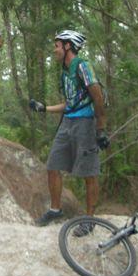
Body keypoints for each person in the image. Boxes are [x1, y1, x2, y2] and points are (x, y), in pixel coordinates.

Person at [30, 30, 110, 236]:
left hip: (86, 123)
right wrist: (44, 108)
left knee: (88, 172)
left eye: (57, 45)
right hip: (68, 122)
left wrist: (100, 128)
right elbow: (69, 103)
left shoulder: (82, 66)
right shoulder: (64, 71)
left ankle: (89, 219)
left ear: (68, 46)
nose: (54, 49)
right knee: (53, 165)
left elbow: (97, 96)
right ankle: (55, 210)